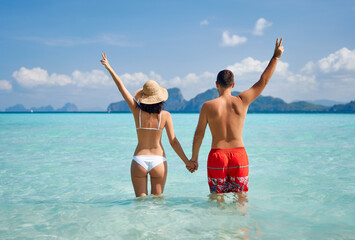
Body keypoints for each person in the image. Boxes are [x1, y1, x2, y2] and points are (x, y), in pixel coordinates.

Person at [190, 38, 284, 202]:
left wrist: (194, 159)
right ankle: (241, 227)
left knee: (216, 199)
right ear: (233, 84)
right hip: (239, 155)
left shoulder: (207, 106)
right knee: (241, 199)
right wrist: (275, 57)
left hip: (217, 156)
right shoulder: (242, 101)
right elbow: (263, 81)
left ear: (216, 84)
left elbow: (199, 135)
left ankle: (218, 227)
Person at [100, 53, 195, 197]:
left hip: (139, 160)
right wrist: (187, 162)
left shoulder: (137, 111)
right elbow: (173, 141)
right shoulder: (165, 115)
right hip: (159, 161)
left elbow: (121, 88)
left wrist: (109, 67)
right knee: (157, 204)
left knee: (140, 206)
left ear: (143, 97)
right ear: (159, 98)